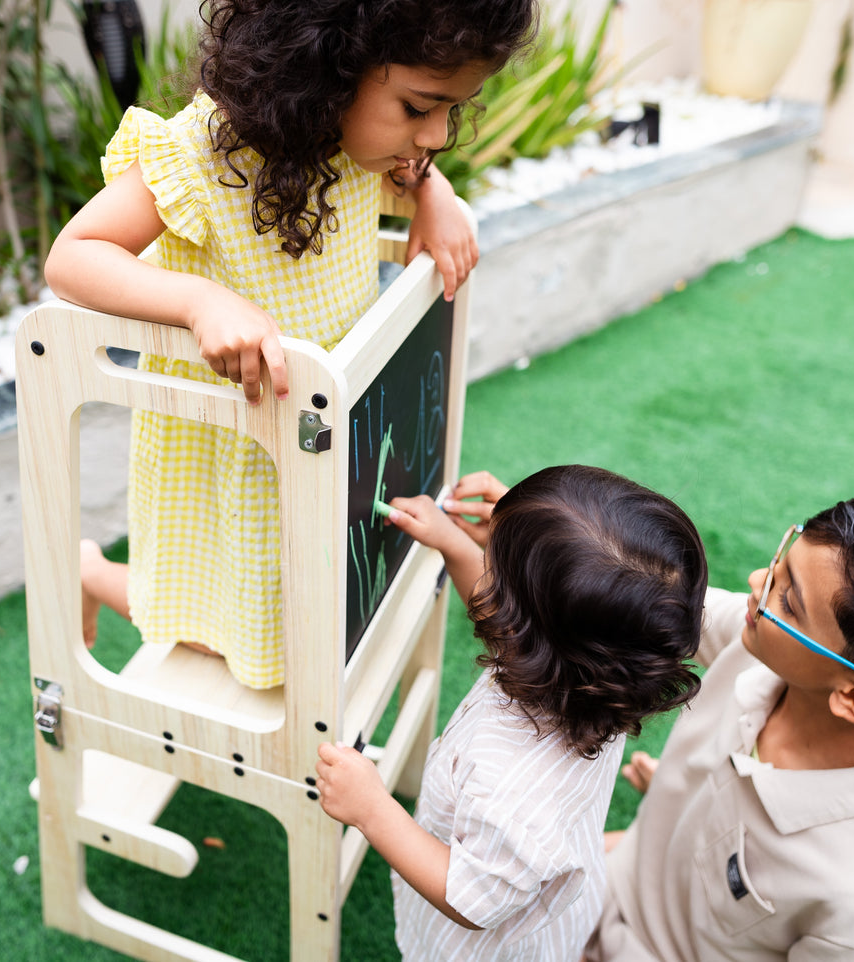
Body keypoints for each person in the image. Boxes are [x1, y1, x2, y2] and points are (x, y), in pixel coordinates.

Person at [43, 0, 537, 688]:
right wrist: (199, 301)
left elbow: (412, 176)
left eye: (454, 107)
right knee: (233, 633)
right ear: (330, 68)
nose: (437, 133)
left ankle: (108, 577)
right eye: (420, 106)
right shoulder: (202, 154)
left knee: (304, 607)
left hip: (323, 434)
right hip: (234, 440)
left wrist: (435, 196)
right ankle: (91, 570)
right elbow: (72, 257)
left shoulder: (358, 143)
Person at [437, 471, 854, 962]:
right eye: (783, 562)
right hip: (598, 893)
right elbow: (641, 606)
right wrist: (556, 547)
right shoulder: (761, 646)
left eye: (788, 598)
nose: (758, 584)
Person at [315, 465, 710, 960]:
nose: (486, 575)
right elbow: (513, 625)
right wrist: (456, 546)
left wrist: (373, 810)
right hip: (555, 898)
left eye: (493, 573)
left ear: (522, 629)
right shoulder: (596, 678)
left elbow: (470, 900)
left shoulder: (517, 791)